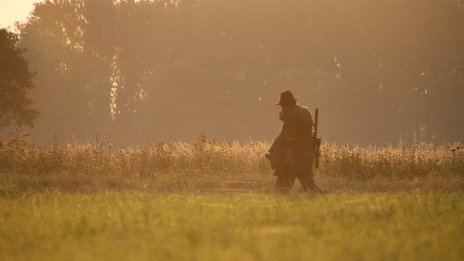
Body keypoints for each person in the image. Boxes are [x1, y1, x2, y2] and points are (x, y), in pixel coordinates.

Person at [266, 90, 322, 193]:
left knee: (282, 187)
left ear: (285, 105)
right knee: (309, 186)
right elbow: (302, 129)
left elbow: (289, 140)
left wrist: (288, 160)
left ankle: (278, 206)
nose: (282, 109)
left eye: (282, 107)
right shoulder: (305, 111)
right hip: (307, 155)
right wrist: (285, 119)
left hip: (295, 157)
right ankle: (324, 199)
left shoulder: (291, 115)